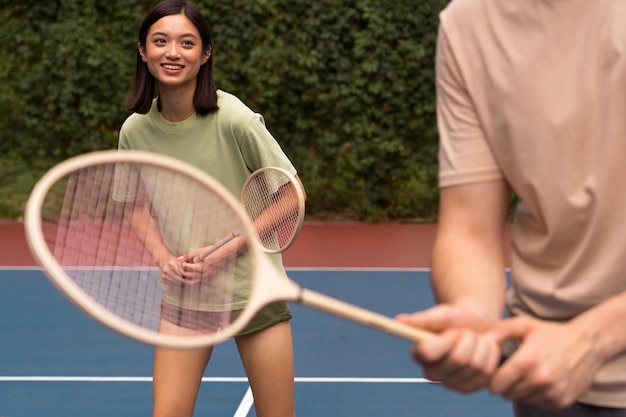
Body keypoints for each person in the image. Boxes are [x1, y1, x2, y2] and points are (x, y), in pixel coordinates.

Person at [396, 0, 626, 416]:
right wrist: (474, 316)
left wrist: (594, 338)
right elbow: (469, 228)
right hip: (545, 384)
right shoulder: (466, 26)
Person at [118, 1, 302, 416]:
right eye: (160, 41)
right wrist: (164, 258)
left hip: (252, 290)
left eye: (187, 43)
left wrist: (225, 252)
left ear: (204, 55)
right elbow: (133, 203)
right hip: (187, 294)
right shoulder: (134, 131)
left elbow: (290, 194)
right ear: (143, 52)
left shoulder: (235, 119)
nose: (172, 52)